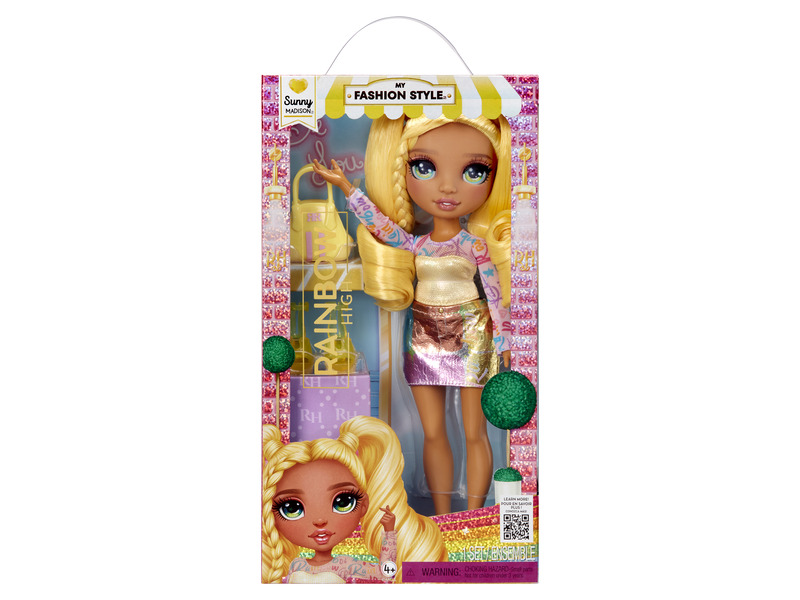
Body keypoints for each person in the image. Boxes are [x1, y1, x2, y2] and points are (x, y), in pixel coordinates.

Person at [312, 114, 512, 514]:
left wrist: (505, 342)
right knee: (432, 432)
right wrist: (347, 187)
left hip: (471, 333)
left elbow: (493, 294)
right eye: (424, 167)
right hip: (422, 333)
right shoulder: (416, 244)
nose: (448, 187)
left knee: (474, 432)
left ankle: (473, 516)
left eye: (474, 171)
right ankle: (442, 516)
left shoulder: (474, 245)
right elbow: (383, 228)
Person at [262, 416, 447, 583]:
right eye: (292, 508)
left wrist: (389, 532)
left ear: (364, 505)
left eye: (343, 502)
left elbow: (387, 573)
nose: (319, 520)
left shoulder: (346, 565)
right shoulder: (297, 565)